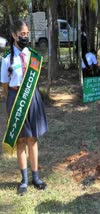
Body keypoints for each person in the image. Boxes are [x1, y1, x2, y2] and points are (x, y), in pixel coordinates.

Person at [0, 20, 48, 195]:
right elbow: (5, 85)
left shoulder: (33, 56)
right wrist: (11, 101)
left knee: (33, 139)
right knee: (20, 141)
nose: (25, 37)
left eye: (27, 34)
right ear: (14, 35)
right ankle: (24, 180)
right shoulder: (6, 59)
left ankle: (36, 178)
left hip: (32, 96)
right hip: (15, 97)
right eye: (22, 34)